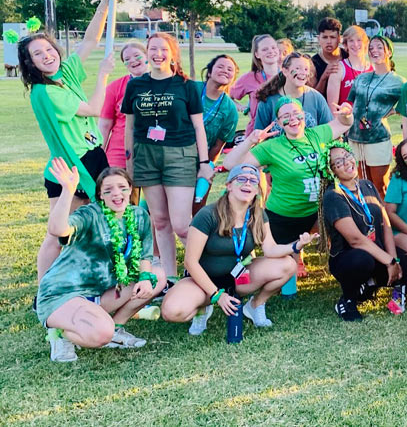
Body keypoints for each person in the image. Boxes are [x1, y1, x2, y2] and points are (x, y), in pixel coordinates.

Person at [21, 0, 116, 278]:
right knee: (59, 231)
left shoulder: (64, 74)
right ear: (31, 63)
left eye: (49, 49)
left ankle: (98, 278)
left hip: (93, 155)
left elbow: (90, 39)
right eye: (38, 54)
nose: (47, 55)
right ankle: (44, 289)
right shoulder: (46, 92)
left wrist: (105, 2)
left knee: (100, 222)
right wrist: (102, 75)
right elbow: (94, 109)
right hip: (72, 164)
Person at [37, 160, 166, 362]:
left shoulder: (139, 216)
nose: (117, 193)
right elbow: (58, 229)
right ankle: (60, 333)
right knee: (101, 334)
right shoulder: (90, 215)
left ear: (130, 189)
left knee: (157, 276)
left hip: (99, 292)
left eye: (122, 187)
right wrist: (68, 191)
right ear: (100, 195)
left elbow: (145, 256)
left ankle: (117, 328)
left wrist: (144, 278)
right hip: (63, 293)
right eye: (108, 190)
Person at [161, 163, 312, 333]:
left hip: (238, 276)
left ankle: (255, 305)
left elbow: (270, 249)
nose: (248, 183)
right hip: (202, 281)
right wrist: (217, 295)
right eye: (241, 179)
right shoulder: (208, 215)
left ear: (257, 189)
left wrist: (296, 246)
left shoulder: (258, 214)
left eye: (253, 181)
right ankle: (202, 308)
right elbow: (190, 262)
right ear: (229, 186)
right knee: (172, 311)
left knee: (288, 265)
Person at [223, 97, 353, 289]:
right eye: (285, 116)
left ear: (303, 115)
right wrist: (250, 140)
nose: (292, 119)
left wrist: (347, 113)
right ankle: (291, 258)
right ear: (278, 122)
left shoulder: (317, 134)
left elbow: (343, 124)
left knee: (344, 234)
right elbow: (229, 164)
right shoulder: (271, 147)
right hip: (285, 217)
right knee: (287, 279)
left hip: (317, 211)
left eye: (296, 114)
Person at [123, 32, 213, 279]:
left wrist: (204, 163)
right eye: (153, 49)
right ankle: (171, 279)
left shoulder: (187, 86)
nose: (157, 54)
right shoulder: (135, 85)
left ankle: (208, 272)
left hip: (180, 155)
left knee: (182, 225)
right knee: (160, 222)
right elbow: (129, 128)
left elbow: (198, 127)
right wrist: (129, 164)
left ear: (173, 54)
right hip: (145, 156)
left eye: (163, 49)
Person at [320, 143, 407, 321]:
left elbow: (385, 223)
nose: (347, 162)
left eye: (347, 155)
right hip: (349, 257)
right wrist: (388, 262)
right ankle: (348, 300)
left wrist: (394, 260)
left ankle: (370, 283)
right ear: (331, 170)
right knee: (362, 260)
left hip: (378, 254)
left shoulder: (366, 185)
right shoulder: (333, 196)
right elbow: (355, 240)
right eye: (339, 162)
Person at [346, 35, 403, 197]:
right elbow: (349, 102)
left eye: (379, 47)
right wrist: (344, 111)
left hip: (377, 138)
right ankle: (368, 220)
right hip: (355, 138)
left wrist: (393, 111)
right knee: (361, 185)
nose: (374, 51)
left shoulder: (398, 81)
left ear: (389, 53)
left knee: (379, 187)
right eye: (371, 48)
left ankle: (385, 222)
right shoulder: (361, 78)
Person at [195, 54, 241, 205]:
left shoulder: (230, 109)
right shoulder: (191, 89)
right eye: (220, 66)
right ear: (209, 72)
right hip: (176, 157)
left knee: (197, 207)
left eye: (230, 69)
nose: (225, 71)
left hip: (201, 162)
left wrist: (205, 167)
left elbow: (217, 147)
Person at [254, 52, 333, 136]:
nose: (302, 72)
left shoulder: (316, 98)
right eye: (298, 68)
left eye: (306, 69)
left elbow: (329, 131)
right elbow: (258, 137)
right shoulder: (268, 101)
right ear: (285, 71)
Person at [99, 41, 150, 169]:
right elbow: (104, 126)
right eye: (127, 59)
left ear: (147, 56)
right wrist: (98, 156)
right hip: (119, 154)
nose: (132, 60)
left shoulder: (163, 84)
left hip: (153, 152)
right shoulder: (115, 87)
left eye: (137, 56)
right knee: (120, 187)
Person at [230, 34, 281, 132]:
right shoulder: (249, 78)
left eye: (273, 47)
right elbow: (226, 96)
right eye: (265, 49)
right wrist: (241, 107)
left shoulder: (287, 75)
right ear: (257, 54)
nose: (271, 51)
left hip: (281, 134)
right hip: (256, 134)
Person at [326, 24, 373, 108]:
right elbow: (332, 108)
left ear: (366, 43)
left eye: (359, 40)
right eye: (351, 40)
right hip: (346, 120)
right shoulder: (339, 69)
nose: (355, 44)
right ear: (345, 45)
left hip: (370, 120)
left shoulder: (373, 69)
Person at [311, 16, 343, 100]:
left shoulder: (348, 56)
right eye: (325, 37)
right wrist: (324, 77)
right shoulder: (313, 62)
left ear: (339, 39)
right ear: (318, 39)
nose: (329, 41)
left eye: (332, 37)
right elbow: (313, 96)